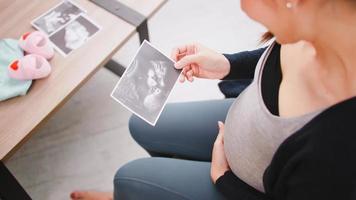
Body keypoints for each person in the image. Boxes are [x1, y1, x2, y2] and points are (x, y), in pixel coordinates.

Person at [70, 0, 356, 199]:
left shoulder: (337, 152)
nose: (243, 7)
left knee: (128, 177)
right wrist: (227, 64)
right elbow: (276, 56)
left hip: (240, 185)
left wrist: (223, 178)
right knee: (140, 124)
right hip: (241, 122)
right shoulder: (326, 24)